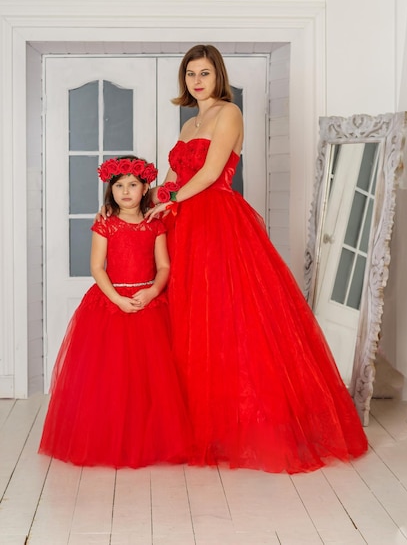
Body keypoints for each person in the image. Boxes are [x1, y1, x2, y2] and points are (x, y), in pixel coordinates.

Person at [103, 45, 368, 474]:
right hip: (182, 221)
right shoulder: (190, 121)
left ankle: (236, 426)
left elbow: (209, 173)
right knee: (187, 316)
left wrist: (169, 199)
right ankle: (191, 424)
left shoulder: (229, 113)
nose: (197, 81)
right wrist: (132, 205)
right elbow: (171, 177)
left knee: (226, 318)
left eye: (205, 72)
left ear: (218, 76)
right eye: (190, 73)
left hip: (215, 221)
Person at [39, 156, 190, 468]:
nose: (125, 191)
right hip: (111, 304)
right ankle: (109, 438)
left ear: (146, 187)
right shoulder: (105, 224)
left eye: (133, 185)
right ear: (111, 190)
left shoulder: (154, 224)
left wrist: (151, 291)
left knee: (151, 377)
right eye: (119, 185)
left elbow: (164, 266)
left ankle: (149, 439)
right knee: (111, 375)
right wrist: (118, 300)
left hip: (148, 303)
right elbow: (97, 268)